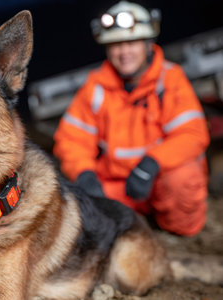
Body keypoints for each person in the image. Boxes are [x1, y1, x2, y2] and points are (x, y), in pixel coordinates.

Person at [53, 1, 209, 236]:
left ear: (148, 44)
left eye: (131, 43)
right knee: (69, 204)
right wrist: (84, 175)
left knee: (183, 179)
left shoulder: (170, 79)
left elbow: (193, 134)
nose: (124, 52)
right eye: (115, 45)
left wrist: (151, 164)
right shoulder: (96, 87)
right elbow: (70, 140)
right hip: (119, 188)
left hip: (159, 182)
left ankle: (175, 232)